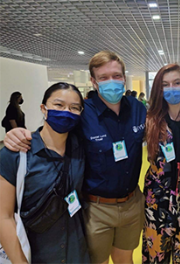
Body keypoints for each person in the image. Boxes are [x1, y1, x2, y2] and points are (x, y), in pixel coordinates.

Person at [4, 51, 147, 264]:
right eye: (104, 77)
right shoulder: (83, 113)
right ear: (93, 81)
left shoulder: (137, 108)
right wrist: (19, 133)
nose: (112, 82)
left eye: (117, 76)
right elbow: (55, 133)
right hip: (96, 207)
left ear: (124, 77)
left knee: (125, 257)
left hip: (132, 202)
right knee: (96, 259)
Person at [0, 83, 90, 264]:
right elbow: (4, 216)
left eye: (74, 108)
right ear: (44, 108)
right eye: (59, 105)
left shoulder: (81, 148)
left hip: (76, 251)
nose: (66, 112)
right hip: (35, 252)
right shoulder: (16, 154)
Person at [142, 64, 180, 264]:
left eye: (176, 83)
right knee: (156, 250)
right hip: (156, 197)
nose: (171, 88)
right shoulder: (150, 120)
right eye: (165, 84)